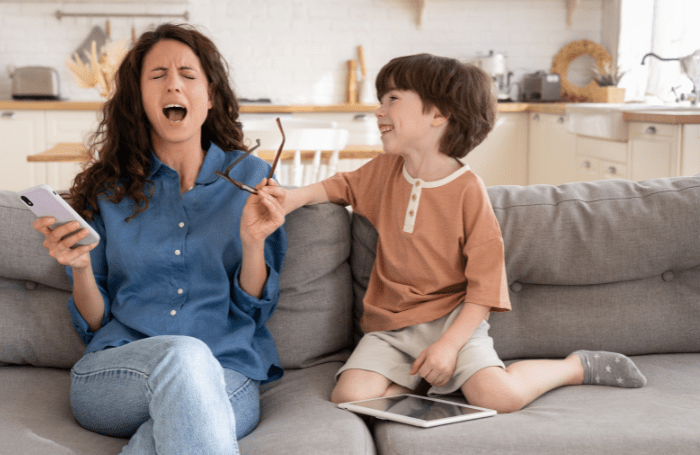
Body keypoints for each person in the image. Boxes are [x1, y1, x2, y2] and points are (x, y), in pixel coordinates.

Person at [261, 53, 646, 414]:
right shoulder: (383, 171)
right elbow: (339, 186)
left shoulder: (468, 191)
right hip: (390, 326)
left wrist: (448, 347)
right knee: (348, 396)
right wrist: (291, 198)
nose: (379, 110)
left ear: (439, 114)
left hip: (454, 323)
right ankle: (432, 381)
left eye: (392, 98)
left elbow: (484, 287)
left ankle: (574, 367)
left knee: (500, 397)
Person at [32, 24, 286, 454]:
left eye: (188, 74)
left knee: (168, 428)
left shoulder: (252, 180)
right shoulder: (106, 190)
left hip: (226, 371)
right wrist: (78, 268)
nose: (173, 83)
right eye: (158, 75)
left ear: (210, 96)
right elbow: (94, 322)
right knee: (184, 358)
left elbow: (254, 310)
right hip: (118, 374)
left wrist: (253, 242)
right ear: (139, 100)